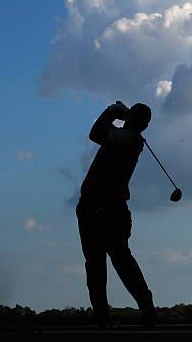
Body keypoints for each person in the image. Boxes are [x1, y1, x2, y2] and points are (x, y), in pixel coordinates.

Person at [76, 101, 155, 329]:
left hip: (103, 210)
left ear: (132, 119)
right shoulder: (131, 139)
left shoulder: (127, 139)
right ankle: (119, 312)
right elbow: (100, 133)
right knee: (110, 261)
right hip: (102, 209)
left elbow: (95, 133)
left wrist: (111, 111)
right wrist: (117, 115)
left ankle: (116, 313)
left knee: (107, 262)